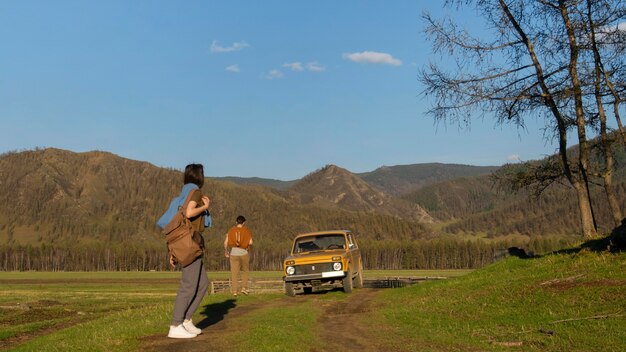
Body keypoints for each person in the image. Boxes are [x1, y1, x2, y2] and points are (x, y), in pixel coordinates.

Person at [167, 164, 211, 339]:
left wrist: (172, 251)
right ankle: (176, 324)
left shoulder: (182, 195)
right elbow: (190, 212)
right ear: (200, 177)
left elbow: (173, 224)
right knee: (189, 286)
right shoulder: (195, 193)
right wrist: (205, 206)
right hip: (190, 244)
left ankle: (186, 320)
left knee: (202, 284)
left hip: (185, 244)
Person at [224, 215, 253, 296]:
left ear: (236, 222)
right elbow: (250, 242)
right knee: (245, 271)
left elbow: (225, 243)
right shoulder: (247, 230)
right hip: (244, 252)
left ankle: (234, 291)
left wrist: (226, 251)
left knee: (234, 273)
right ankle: (244, 288)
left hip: (233, 252)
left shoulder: (231, 231)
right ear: (244, 222)